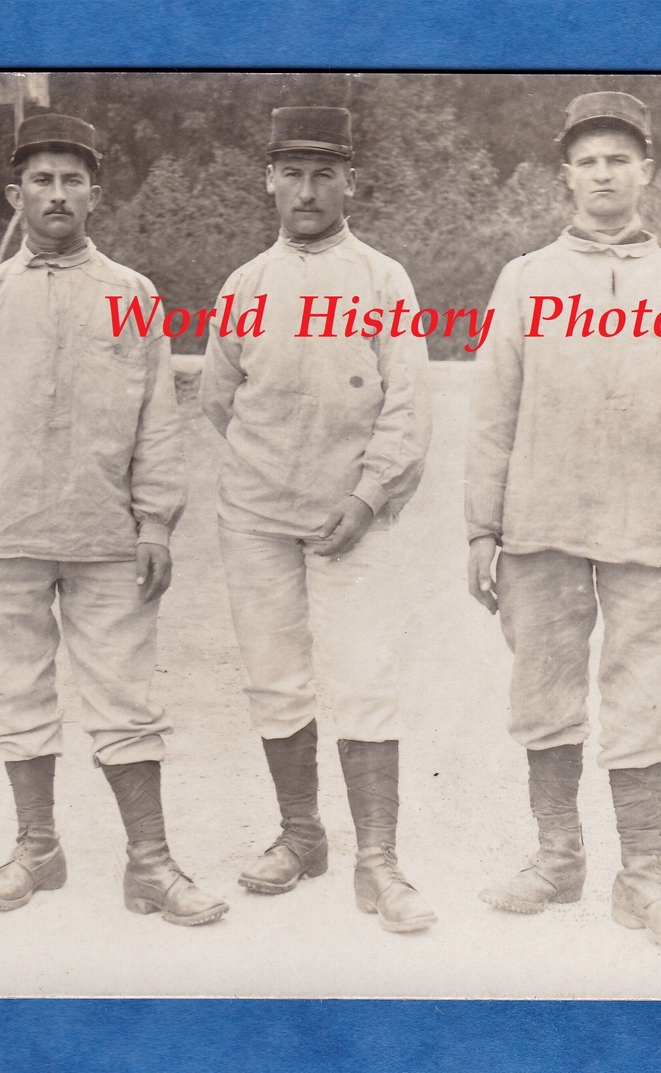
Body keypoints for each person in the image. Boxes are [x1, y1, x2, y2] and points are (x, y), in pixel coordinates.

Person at [0, 113, 226, 927]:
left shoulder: (131, 296)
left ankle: (150, 863)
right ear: (14, 194)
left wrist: (156, 521)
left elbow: (157, 417)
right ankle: (36, 849)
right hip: (3, 535)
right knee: (16, 695)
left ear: (96, 194)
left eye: (72, 180)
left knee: (127, 702)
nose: (56, 195)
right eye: (41, 180)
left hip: (105, 538)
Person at [465, 91, 661, 948]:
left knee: (644, 698)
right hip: (540, 520)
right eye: (588, 160)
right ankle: (556, 857)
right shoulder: (526, 279)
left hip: (646, 528)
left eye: (620, 157)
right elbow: (491, 412)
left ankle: (643, 879)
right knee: (542, 688)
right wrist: (481, 528)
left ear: (647, 171)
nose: (604, 173)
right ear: (565, 176)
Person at [201, 106, 436, 933]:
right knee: (274, 675)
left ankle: (378, 860)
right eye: (291, 173)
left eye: (323, 174)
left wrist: (364, 496)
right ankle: (302, 834)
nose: (306, 191)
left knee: (363, 675)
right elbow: (219, 398)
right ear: (268, 180)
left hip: (352, 521)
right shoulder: (244, 286)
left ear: (349, 184)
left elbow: (408, 409)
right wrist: (273, 476)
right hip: (256, 518)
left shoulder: (382, 280)